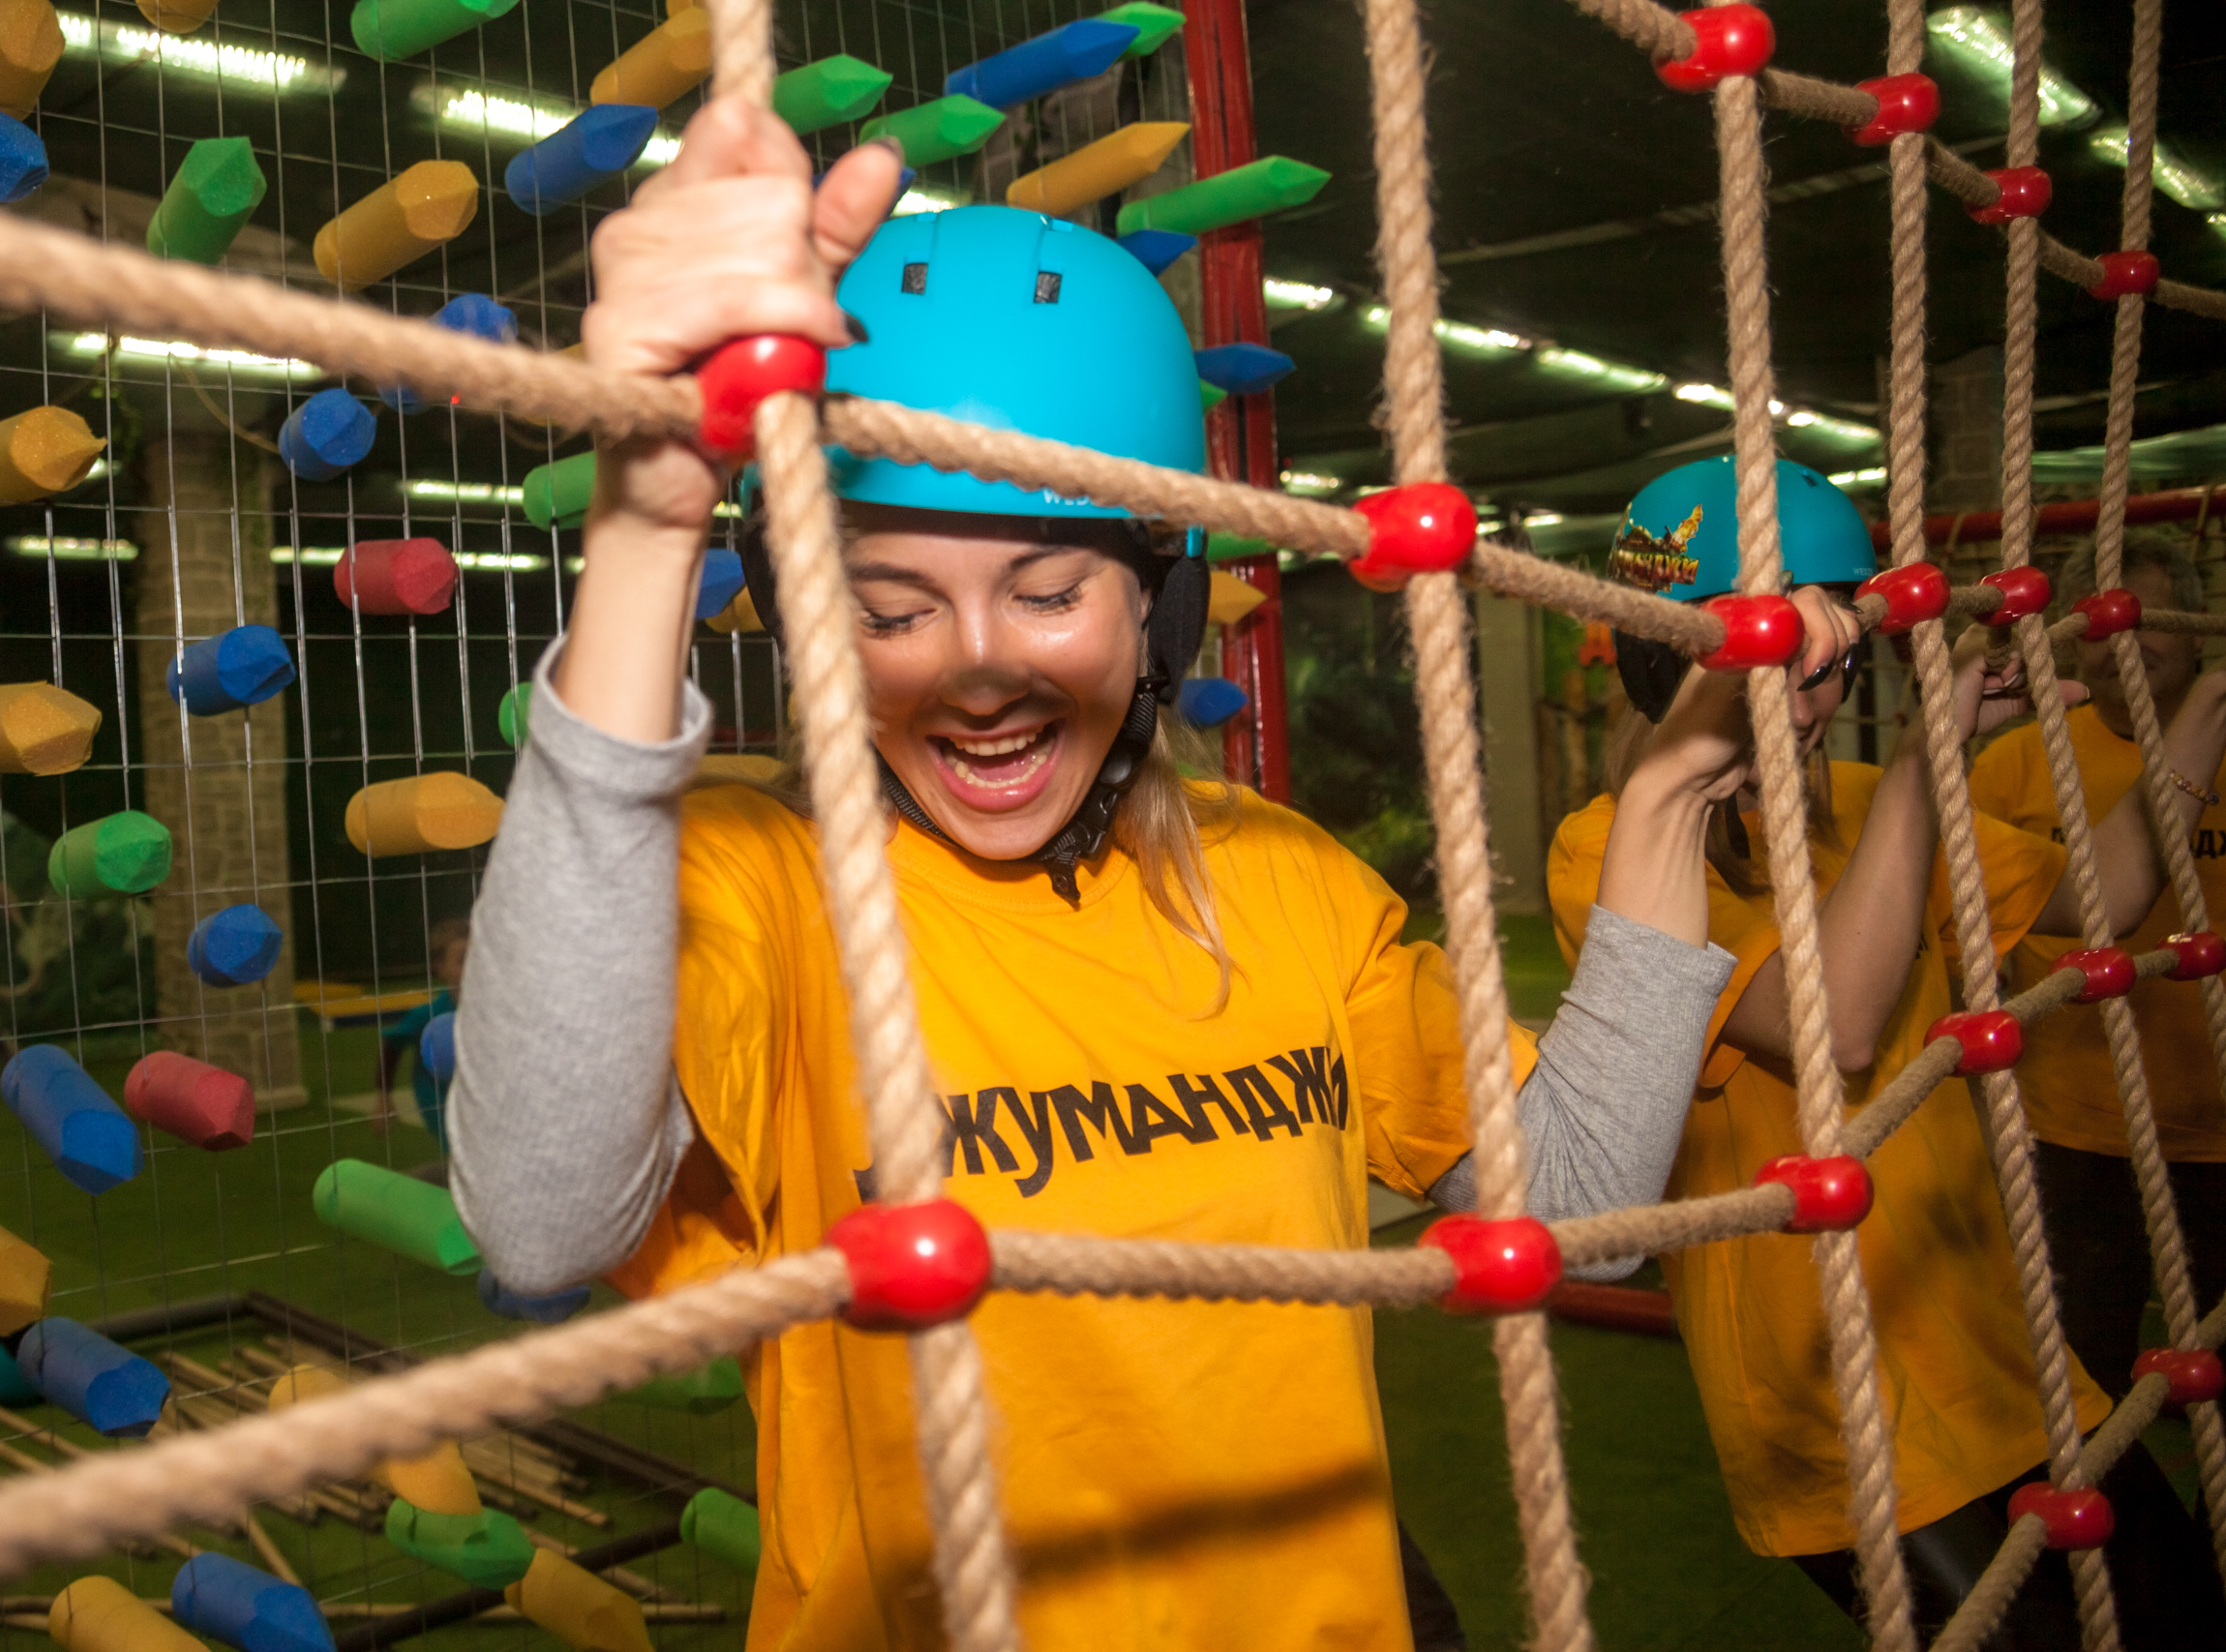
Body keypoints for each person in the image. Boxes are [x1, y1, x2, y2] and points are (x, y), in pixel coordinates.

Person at [453, 98, 1775, 1652]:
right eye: (889, 607)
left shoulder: (1273, 878)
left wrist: (1673, 787)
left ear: (1160, 605)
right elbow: (540, 1220)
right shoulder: (761, 890)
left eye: (1046, 590)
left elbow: (1586, 1205)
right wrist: (646, 523)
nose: (978, 667)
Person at [1549, 461, 2226, 1650]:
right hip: (1834, 1405)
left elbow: (2109, 895)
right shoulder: (1609, 854)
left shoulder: (1860, 799)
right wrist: (1929, 761)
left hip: (2006, 1362)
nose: (1809, 699)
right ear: (1665, 661)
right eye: (1775, 659)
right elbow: (1839, 1030)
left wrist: (2201, 718)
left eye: (1830, 662)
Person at [1968, 532, 2226, 1400]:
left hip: (2218, 1127)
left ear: (2195, 629)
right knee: (2083, 1384)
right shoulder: (2014, 763)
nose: (2127, 642)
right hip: (2075, 1131)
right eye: (2105, 624)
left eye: (2148, 620)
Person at [377, 915, 466, 1151]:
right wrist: (383, 1098)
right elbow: (392, 1045)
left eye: (476, 958)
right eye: (462, 960)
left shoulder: (491, 1011)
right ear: (440, 968)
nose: (471, 967)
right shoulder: (427, 1015)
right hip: (437, 1100)